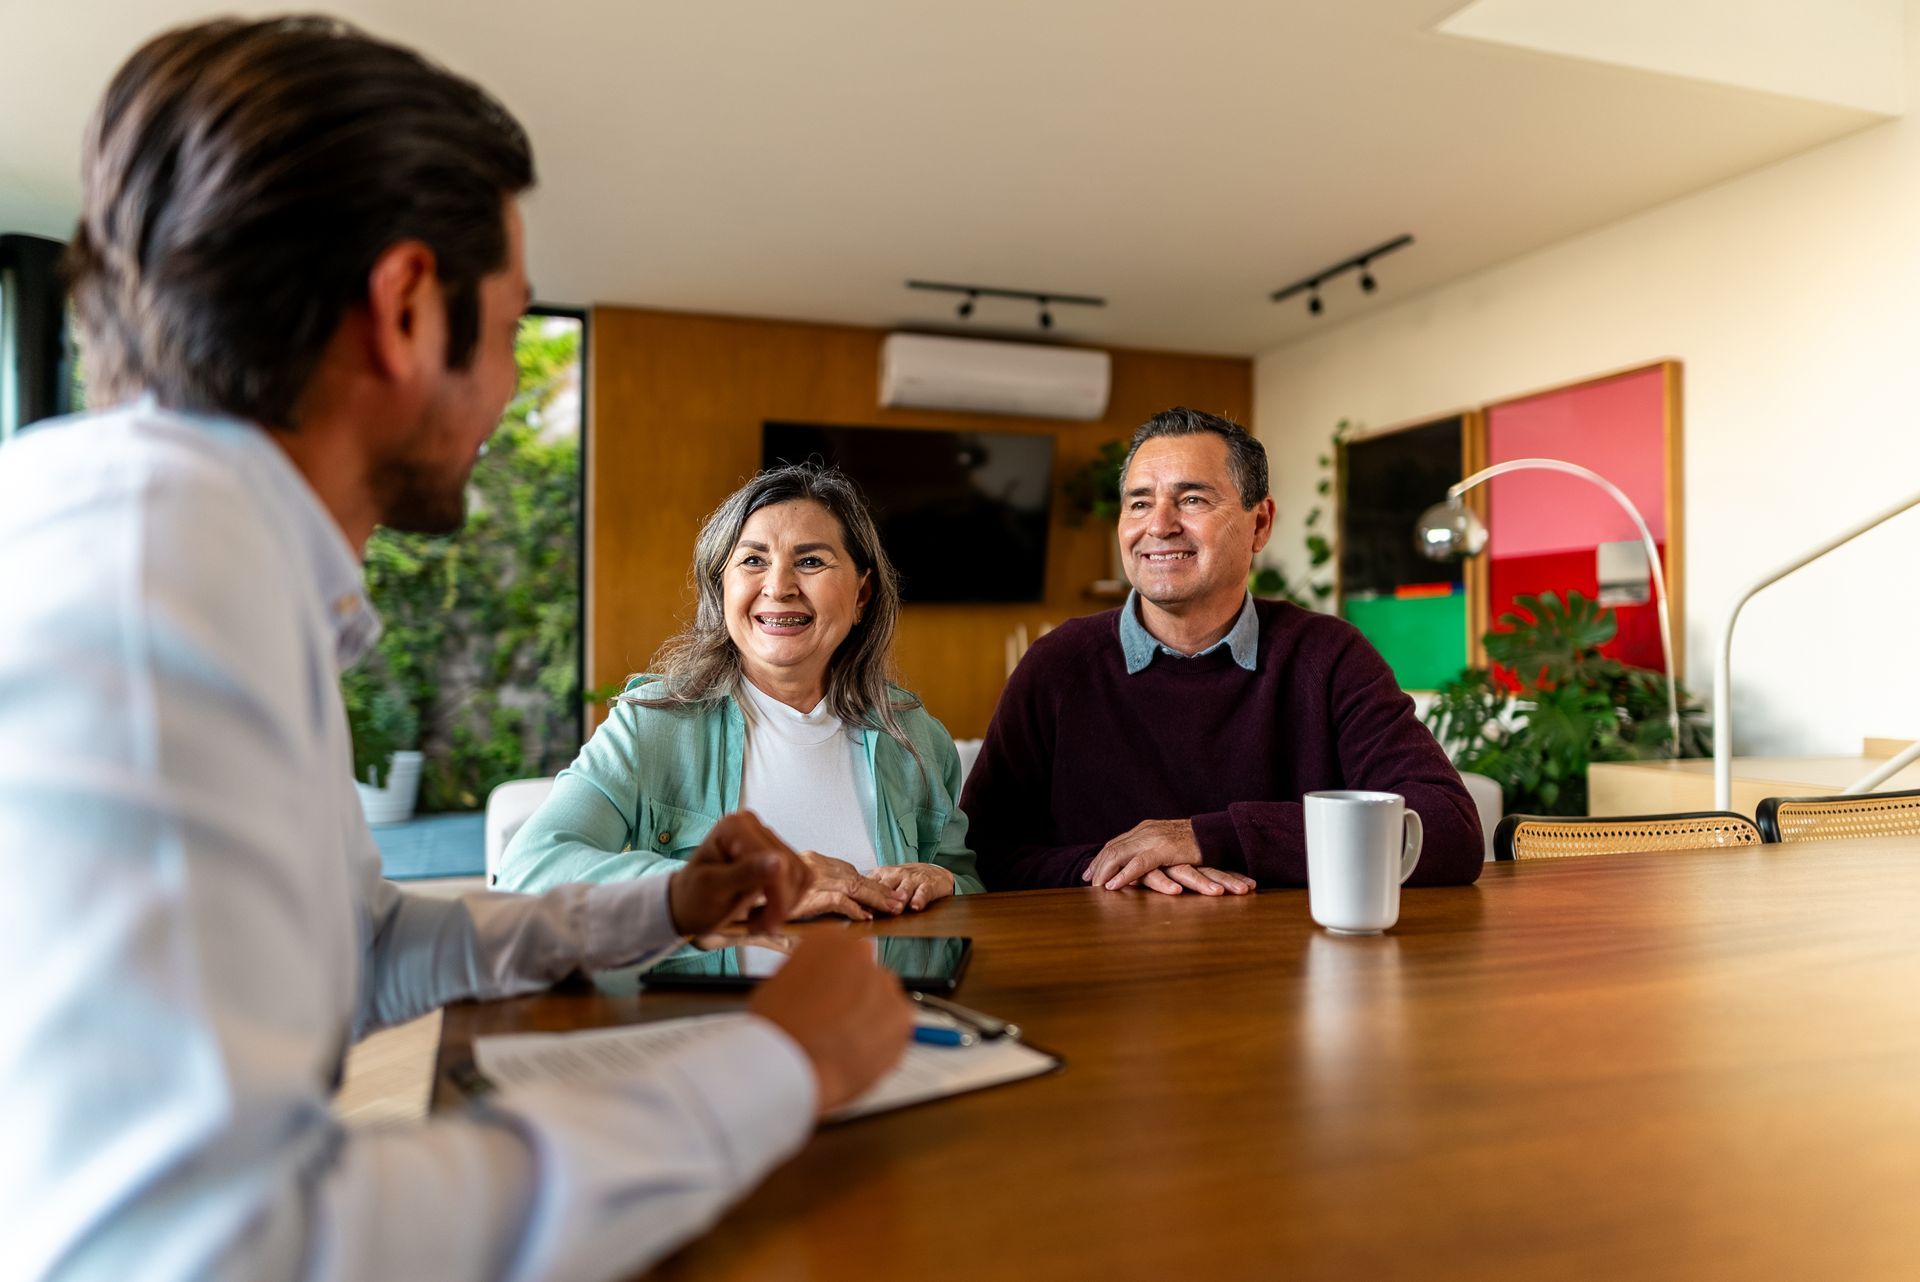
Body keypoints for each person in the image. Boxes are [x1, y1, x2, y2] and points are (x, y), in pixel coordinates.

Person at [0, 18, 911, 1282]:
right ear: (410, 308)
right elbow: (213, 1249)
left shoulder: (219, 567)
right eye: (516, 324)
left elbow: (366, 951)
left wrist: (664, 903)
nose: (505, 390)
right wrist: (775, 1069)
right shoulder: (155, 592)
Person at [961, 407, 1483, 894]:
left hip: (1290, 976)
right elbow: (978, 853)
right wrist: (1121, 868)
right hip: (1106, 977)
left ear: (1260, 524)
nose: (1159, 525)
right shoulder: (1057, 665)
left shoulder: (1329, 657)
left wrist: (1208, 837)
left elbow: (1446, 828)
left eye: (1192, 499)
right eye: (1140, 502)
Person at [502, 463, 983, 925]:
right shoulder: (651, 727)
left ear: (862, 594)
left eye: (811, 561)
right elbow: (529, 872)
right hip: (712, 1012)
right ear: (721, 588)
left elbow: (970, 888)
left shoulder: (916, 737)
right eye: (753, 560)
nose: (779, 587)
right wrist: (749, 885)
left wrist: (945, 882)